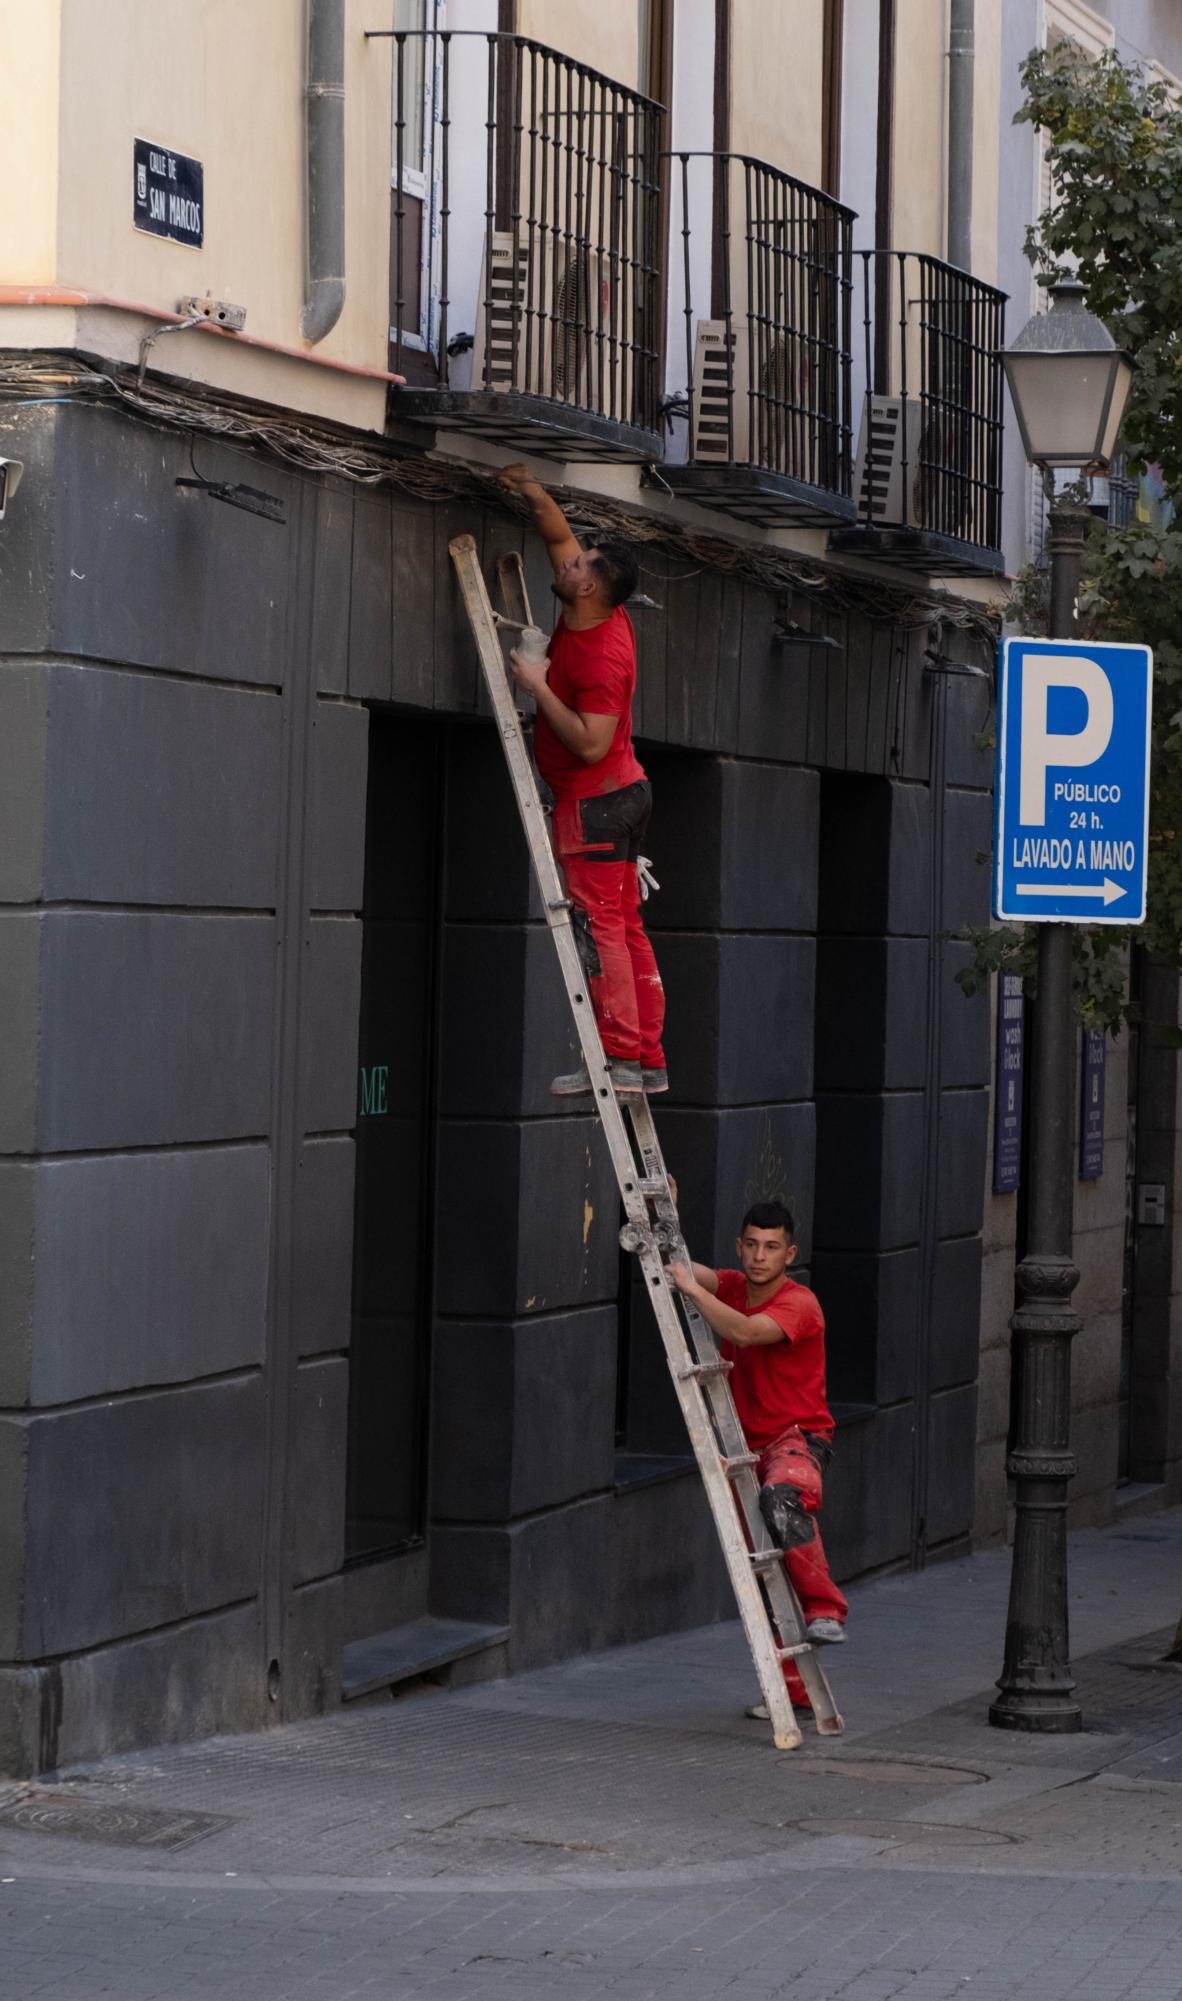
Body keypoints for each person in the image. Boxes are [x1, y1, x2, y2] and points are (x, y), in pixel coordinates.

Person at [498, 463, 666, 1099]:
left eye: (579, 567)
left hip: (596, 803)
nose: (568, 563)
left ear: (591, 589)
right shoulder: (593, 609)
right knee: (624, 924)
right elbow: (559, 539)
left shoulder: (602, 656)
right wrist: (535, 494)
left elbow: (592, 742)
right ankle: (646, 1057)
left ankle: (622, 1058)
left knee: (601, 929)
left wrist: (538, 688)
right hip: (624, 795)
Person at [668, 1199, 848, 1718]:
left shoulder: (800, 1303)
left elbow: (743, 1332)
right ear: (739, 1246)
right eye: (750, 1244)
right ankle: (792, 1692)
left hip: (797, 1439)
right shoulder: (730, 1285)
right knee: (762, 1569)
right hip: (746, 1449)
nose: (758, 1256)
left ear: (789, 1253)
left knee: (784, 1495)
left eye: (771, 1247)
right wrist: (670, 1222)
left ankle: (827, 1609)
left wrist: (694, 1291)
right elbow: (681, 1269)